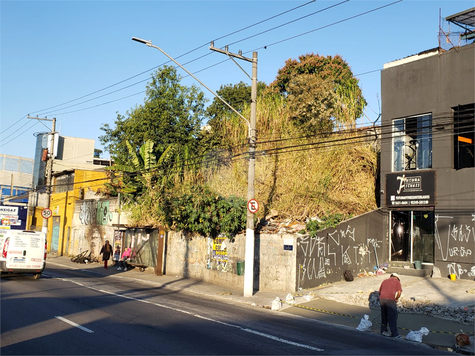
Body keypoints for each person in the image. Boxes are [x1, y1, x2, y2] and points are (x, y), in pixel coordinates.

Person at [379, 273, 402, 338]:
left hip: (382, 299)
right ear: (397, 278)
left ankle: (383, 330)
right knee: (392, 316)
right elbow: (399, 292)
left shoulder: (384, 281)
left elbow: (379, 291)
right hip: (390, 300)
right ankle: (395, 333)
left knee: (384, 316)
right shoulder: (397, 281)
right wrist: (396, 299)